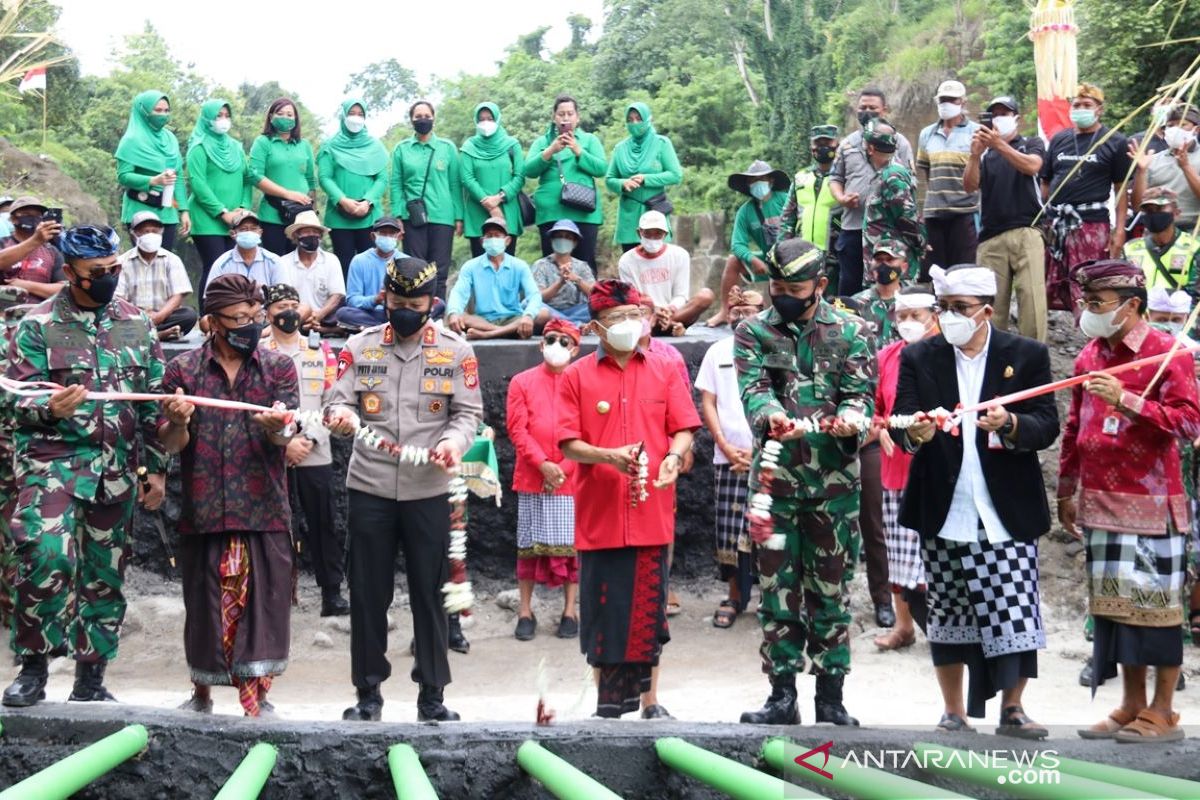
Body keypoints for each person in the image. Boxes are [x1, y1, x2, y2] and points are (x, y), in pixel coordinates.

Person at [2, 225, 168, 708]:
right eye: (98, 272)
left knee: (105, 573)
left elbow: (152, 402)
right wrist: (47, 409)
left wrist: (157, 469)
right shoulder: (37, 325)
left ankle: (91, 680)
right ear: (71, 273)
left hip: (115, 468)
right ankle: (34, 668)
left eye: (114, 269)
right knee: (44, 558)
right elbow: (10, 399)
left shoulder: (138, 324)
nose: (109, 278)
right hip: (51, 463)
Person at [896, 263, 1059, 736]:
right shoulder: (921, 356)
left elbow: (1046, 425)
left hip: (1003, 507)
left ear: (987, 311)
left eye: (960, 309)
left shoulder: (1025, 355)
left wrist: (1009, 425)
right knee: (948, 610)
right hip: (944, 506)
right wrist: (916, 431)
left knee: (1014, 607)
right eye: (943, 308)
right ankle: (953, 711)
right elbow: (903, 419)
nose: (949, 317)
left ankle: (1013, 709)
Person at [325, 256, 482, 723]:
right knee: (368, 594)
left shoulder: (456, 351)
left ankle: (432, 696)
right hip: (370, 485)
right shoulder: (359, 345)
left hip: (429, 488)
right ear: (385, 300)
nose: (406, 310)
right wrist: (343, 418)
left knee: (431, 595)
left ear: (431, 303)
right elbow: (338, 399)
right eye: (397, 303)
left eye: (415, 304)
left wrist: (454, 443)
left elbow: (468, 414)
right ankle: (368, 694)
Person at [1059, 259, 1200, 743]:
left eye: (1097, 304)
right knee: (1115, 611)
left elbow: (1189, 425)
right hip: (1099, 501)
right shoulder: (1090, 356)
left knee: (1155, 609)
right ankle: (1130, 704)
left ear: (1132, 306)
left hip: (1152, 504)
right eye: (1087, 303)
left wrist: (1127, 401)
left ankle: (1163, 711)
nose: (1089, 312)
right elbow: (1075, 427)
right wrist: (1065, 487)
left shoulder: (1169, 353)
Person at [735, 238, 874, 727]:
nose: (783, 295)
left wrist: (852, 419)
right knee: (776, 592)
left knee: (831, 593)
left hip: (834, 489)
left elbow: (861, 394)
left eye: (794, 287)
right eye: (776, 286)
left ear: (820, 285)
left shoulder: (852, 331)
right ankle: (781, 696)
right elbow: (752, 389)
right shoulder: (753, 330)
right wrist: (772, 415)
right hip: (774, 487)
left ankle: (832, 698)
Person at [558, 279, 699, 719]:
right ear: (597, 329)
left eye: (633, 316)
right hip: (599, 515)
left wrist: (675, 456)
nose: (628, 325)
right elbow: (566, 443)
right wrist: (606, 457)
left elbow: (684, 426)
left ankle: (651, 703)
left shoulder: (664, 367)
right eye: (616, 319)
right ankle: (607, 705)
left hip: (651, 509)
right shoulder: (576, 375)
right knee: (604, 615)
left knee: (648, 614)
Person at [160, 274, 297, 717]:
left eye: (254, 317)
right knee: (205, 605)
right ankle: (201, 692)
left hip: (263, 505)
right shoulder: (184, 370)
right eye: (238, 319)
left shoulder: (278, 368)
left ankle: (260, 694)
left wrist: (278, 430)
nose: (249, 326)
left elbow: (288, 438)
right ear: (211, 322)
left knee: (262, 605)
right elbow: (170, 444)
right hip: (205, 508)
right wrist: (179, 421)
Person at [261, 283, 347, 617]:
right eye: (281, 305)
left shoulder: (321, 351)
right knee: (273, 526)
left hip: (315, 449)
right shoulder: (257, 351)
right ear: (267, 312)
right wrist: (284, 446)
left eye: (294, 304)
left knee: (323, 522)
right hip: (270, 453)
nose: (289, 311)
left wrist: (307, 438)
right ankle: (275, 597)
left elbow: (333, 400)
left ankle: (332, 593)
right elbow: (250, 403)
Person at [506, 318, 583, 641]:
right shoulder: (521, 382)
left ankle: (570, 610)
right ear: (541, 344)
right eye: (551, 339)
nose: (557, 346)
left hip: (572, 478)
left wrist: (563, 467)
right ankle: (525, 610)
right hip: (532, 476)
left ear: (576, 349)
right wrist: (543, 464)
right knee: (528, 547)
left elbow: (588, 432)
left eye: (565, 342)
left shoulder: (583, 384)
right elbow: (517, 429)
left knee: (572, 548)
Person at [873, 286, 940, 651]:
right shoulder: (886, 356)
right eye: (902, 316)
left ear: (935, 315)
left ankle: (943, 629)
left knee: (933, 554)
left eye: (916, 315)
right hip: (895, 468)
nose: (908, 323)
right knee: (898, 553)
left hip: (936, 469)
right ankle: (904, 626)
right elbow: (871, 406)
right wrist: (879, 426)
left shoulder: (949, 355)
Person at [696, 286, 762, 627]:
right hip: (729, 457)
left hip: (769, 457)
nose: (739, 315)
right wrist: (722, 443)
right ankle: (735, 595)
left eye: (747, 309)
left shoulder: (775, 348)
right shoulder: (718, 351)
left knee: (768, 530)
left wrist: (761, 450)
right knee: (729, 531)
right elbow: (708, 401)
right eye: (734, 310)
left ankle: (772, 599)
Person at [851, 235, 906, 629]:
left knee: (883, 521)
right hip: (858, 414)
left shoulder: (916, 308)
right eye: (878, 258)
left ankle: (890, 598)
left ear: (905, 264)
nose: (882, 264)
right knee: (858, 518)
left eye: (890, 259)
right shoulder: (855, 304)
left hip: (897, 420)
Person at [1041, 83, 1133, 312]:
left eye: (1087, 105)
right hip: (1056, 223)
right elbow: (1045, 182)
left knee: (1089, 282)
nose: (1080, 109)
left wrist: (1119, 230)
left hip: (1091, 224)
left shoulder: (1115, 141)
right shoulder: (1059, 139)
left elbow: (1121, 191)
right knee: (1049, 283)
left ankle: (1092, 337)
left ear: (1099, 109)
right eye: (1077, 105)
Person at [963, 96, 1047, 340]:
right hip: (990, 237)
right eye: (994, 114)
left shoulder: (1031, 143)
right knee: (990, 306)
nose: (999, 117)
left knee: (1032, 301)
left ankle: (1035, 364)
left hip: (1027, 230)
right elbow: (969, 186)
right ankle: (993, 365)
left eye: (1005, 113)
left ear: (1016, 119)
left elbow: (1033, 166)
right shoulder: (986, 156)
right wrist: (974, 155)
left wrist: (999, 144)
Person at [830, 87, 915, 297]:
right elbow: (835, 178)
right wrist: (841, 198)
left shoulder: (899, 142)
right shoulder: (847, 144)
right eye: (863, 107)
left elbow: (910, 183)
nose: (867, 111)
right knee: (850, 287)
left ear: (884, 110)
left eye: (872, 108)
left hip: (887, 232)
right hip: (853, 226)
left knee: (888, 286)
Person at [525, 95, 608, 269]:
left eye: (570, 113)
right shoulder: (543, 142)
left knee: (585, 264)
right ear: (554, 117)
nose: (565, 117)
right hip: (550, 212)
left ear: (577, 117)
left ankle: (587, 297)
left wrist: (578, 150)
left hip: (584, 211)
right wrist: (550, 151)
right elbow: (529, 171)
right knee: (550, 266)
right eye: (561, 113)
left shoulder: (589, 140)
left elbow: (601, 169)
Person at [391, 100, 463, 300]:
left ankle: (437, 314)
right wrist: (398, 215)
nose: (423, 120)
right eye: (418, 117)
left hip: (443, 216)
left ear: (433, 118)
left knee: (439, 270)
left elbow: (455, 184)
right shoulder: (402, 149)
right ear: (411, 120)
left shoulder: (447, 148)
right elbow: (396, 184)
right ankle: (417, 312)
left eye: (427, 116)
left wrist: (459, 217)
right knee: (415, 268)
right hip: (412, 217)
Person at [709, 161, 789, 325]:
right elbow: (737, 244)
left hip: (789, 257)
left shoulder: (785, 200)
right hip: (766, 259)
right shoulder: (745, 211)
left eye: (762, 179)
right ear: (748, 184)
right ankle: (725, 311)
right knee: (733, 260)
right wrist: (753, 259)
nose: (757, 183)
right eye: (753, 180)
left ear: (771, 181)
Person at [186, 99, 253, 291]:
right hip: (208, 219)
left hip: (237, 218)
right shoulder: (198, 147)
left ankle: (230, 316)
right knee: (214, 268)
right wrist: (222, 213)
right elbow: (198, 183)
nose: (223, 120)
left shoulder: (236, 147)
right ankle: (207, 316)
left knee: (235, 270)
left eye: (226, 115)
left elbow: (248, 179)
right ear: (207, 118)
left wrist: (244, 208)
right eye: (218, 116)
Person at [318, 99, 388, 277]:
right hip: (339, 217)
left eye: (360, 114)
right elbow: (325, 177)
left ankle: (371, 303)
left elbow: (382, 178)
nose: (356, 118)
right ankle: (346, 303)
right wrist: (342, 200)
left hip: (369, 216)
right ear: (343, 116)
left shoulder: (375, 146)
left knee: (372, 266)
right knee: (344, 266)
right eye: (352, 113)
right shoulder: (330, 146)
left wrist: (367, 201)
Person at [445, 218, 547, 340]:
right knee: (460, 316)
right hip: (482, 320)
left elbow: (534, 295)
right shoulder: (470, 266)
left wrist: (529, 315)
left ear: (507, 240)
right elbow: (459, 293)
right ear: (483, 241)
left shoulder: (519, 266)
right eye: (489, 236)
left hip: (512, 318)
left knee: (543, 314)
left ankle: (489, 334)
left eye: (497, 235)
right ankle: (505, 332)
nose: (493, 239)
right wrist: (453, 312)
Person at [916, 80, 980, 271]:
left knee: (963, 270)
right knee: (936, 272)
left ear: (963, 102)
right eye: (943, 100)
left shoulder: (976, 131)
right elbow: (927, 172)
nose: (947, 104)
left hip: (964, 212)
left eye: (952, 100)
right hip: (934, 213)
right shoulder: (927, 134)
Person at [115, 90, 190, 250]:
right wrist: (152, 181)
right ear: (144, 111)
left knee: (165, 260)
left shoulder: (170, 138)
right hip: (140, 210)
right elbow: (123, 176)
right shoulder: (131, 139)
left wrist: (184, 210)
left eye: (166, 110)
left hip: (167, 211)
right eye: (157, 110)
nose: (163, 114)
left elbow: (177, 175)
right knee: (144, 259)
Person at [617, 210, 714, 334]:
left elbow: (681, 295)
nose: (652, 238)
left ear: (665, 233)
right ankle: (670, 326)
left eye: (658, 233)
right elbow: (633, 298)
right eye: (647, 233)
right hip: (645, 313)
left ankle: (662, 324)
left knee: (706, 296)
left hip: (676, 312)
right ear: (639, 232)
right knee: (635, 312)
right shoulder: (626, 260)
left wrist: (669, 310)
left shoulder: (680, 255)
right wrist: (654, 309)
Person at [606, 103, 683, 251]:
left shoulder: (661, 143)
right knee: (631, 265)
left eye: (638, 119)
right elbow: (609, 179)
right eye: (630, 120)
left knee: (658, 264)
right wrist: (623, 183)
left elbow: (675, 175)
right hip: (628, 217)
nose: (634, 123)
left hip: (654, 213)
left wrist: (646, 179)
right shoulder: (620, 149)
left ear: (648, 119)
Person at [775, 125, 841, 295]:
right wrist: (782, 249)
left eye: (828, 142)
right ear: (811, 147)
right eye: (818, 143)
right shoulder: (801, 177)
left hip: (835, 254)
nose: (823, 147)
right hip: (803, 254)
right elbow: (787, 217)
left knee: (834, 302)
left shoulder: (845, 176)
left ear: (837, 143)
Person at [250, 97, 316, 258]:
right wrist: (287, 194)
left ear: (296, 119)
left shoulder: (304, 145)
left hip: (301, 216)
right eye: (280, 113)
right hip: (273, 214)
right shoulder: (263, 142)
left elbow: (311, 179)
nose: (285, 118)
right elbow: (255, 175)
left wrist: (311, 209)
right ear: (271, 116)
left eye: (289, 114)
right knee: (275, 262)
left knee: (301, 263)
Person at [115, 210, 198, 338]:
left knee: (189, 315)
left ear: (161, 233)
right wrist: (141, 315)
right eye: (145, 232)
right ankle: (159, 335)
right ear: (134, 234)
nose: (150, 235)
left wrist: (159, 316)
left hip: (163, 316)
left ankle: (146, 335)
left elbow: (178, 295)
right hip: (132, 316)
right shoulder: (122, 262)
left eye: (155, 231)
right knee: (113, 317)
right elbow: (119, 298)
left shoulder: (171, 259)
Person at [862, 120, 924, 284]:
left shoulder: (892, 175)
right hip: (880, 264)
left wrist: (921, 244)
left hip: (893, 269)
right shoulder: (883, 174)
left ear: (870, 148)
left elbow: (908, 219)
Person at [460, 102, 525, 258]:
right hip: (478, 214)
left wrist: (499, 197)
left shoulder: (512, 145)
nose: (486, 123)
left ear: (497, 119)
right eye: (481, 119)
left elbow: (520, 176)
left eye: (490, 118)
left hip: (506, 212)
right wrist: (489, 205)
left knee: (507, 265)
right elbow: (466, 178)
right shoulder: (469, 147)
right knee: (480, 265)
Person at [1123, 188, 1199, 303]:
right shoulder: (1130, 249)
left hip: (1178, 317)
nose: (1153, 214)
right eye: (1148, 211)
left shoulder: (1194, 247)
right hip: (1141, 317)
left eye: (1159, 209)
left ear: (1176, 213)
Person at [1132, 105, 1200, 233]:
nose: (1175, 130)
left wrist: (1186, 167)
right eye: (1170, 125)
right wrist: (1141, 172)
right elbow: (1137, 206)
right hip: (1157, 232)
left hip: (1194, 232)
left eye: (1183, 125)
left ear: (1196, 130)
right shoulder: (1152, 159)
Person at [275, 210, 345, 331]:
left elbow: (336, 295)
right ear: (296, 235)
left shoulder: (331, 260)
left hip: (324, 316)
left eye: (315, 232)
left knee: (346, 314)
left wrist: (318, 315)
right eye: (306, 232)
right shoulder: (284, 262)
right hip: (293, 315)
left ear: (320, 236)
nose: (311, 235)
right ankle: (301, 327)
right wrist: (303, 315)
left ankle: (317, 328)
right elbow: (283, 298)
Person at [334, 217, 405, 332]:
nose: (387, 237)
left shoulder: (405, 261)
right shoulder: (359, 260)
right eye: (383, 233)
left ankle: (374, 329)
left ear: (399, 237)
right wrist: (375, 299)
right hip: (369, 313)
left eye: (392, 234)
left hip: (397, 313)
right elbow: (352, 300)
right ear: (373, 236)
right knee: (343, 313)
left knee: (437, 305)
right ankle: (386, 328)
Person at [0, 196, 65, 302]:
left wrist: (27, 286)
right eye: (26, 215)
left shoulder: (52, 251)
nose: (33, 218)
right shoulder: (3, 243)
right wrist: (36, 240)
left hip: (38, 314)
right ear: (13, 219)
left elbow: (64, 288)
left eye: (37, 215)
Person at [531, 219, 595, 326]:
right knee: (534, 308)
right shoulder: (540, 265)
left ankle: (562, 323)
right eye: (559, 236)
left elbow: (594, 294)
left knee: (598, 307)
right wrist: (560, 282)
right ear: (552, 240)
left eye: (568, 237)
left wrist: (577, 280)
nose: (563, 240)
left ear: (574, 243)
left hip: (576, 311)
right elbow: (538, 297)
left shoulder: (582, 266)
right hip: (550, 310)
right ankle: (575, 325)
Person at [204, 210, 285, 292]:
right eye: (243, 229)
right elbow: (211, 297)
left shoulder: (274, 261)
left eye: (253, 229)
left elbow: (283, 295)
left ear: (260, 233)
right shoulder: (222, 264)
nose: (249, 232)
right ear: (233, 234)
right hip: (233, 304)